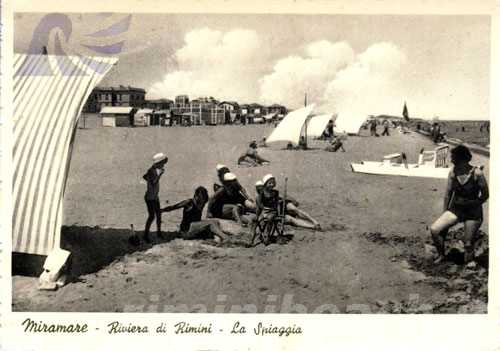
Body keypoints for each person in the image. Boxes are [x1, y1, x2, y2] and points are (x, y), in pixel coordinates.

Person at [430, 145, 489, 263]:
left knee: (467, 243)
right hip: (456, 209)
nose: (451, 160)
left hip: (473, 212)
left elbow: (485, 194)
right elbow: (448, 194)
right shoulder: (453, 172)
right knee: (435, 229)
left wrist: (476, 203)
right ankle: (442, 255)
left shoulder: (477, 173)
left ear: (462, 158)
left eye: (453, 157)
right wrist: (445, 212)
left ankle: (468, 263)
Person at [162, 186, 235, 243]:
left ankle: (220, 237)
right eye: (200, 198)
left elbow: (212, 199)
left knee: (216, 222)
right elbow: (174, 207)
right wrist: (161, 210)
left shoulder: (202, 202)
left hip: (194, 228)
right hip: (186, 231)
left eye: (203, 199)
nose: (202, 201)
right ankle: (226, 238)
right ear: (196, 196)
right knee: (211, 224)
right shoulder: (189, 203)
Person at [142, 153, 168, 243]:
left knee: (158, 215)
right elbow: (153, 182)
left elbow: (145, 177)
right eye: (162, 163)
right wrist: (160, 175)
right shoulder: (152, 171)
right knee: (152, 216)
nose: (163, 165)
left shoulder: (153, 170)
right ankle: (145, 235)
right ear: (158, 162)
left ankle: (159, 233)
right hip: (150, 197)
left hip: (154, 197)